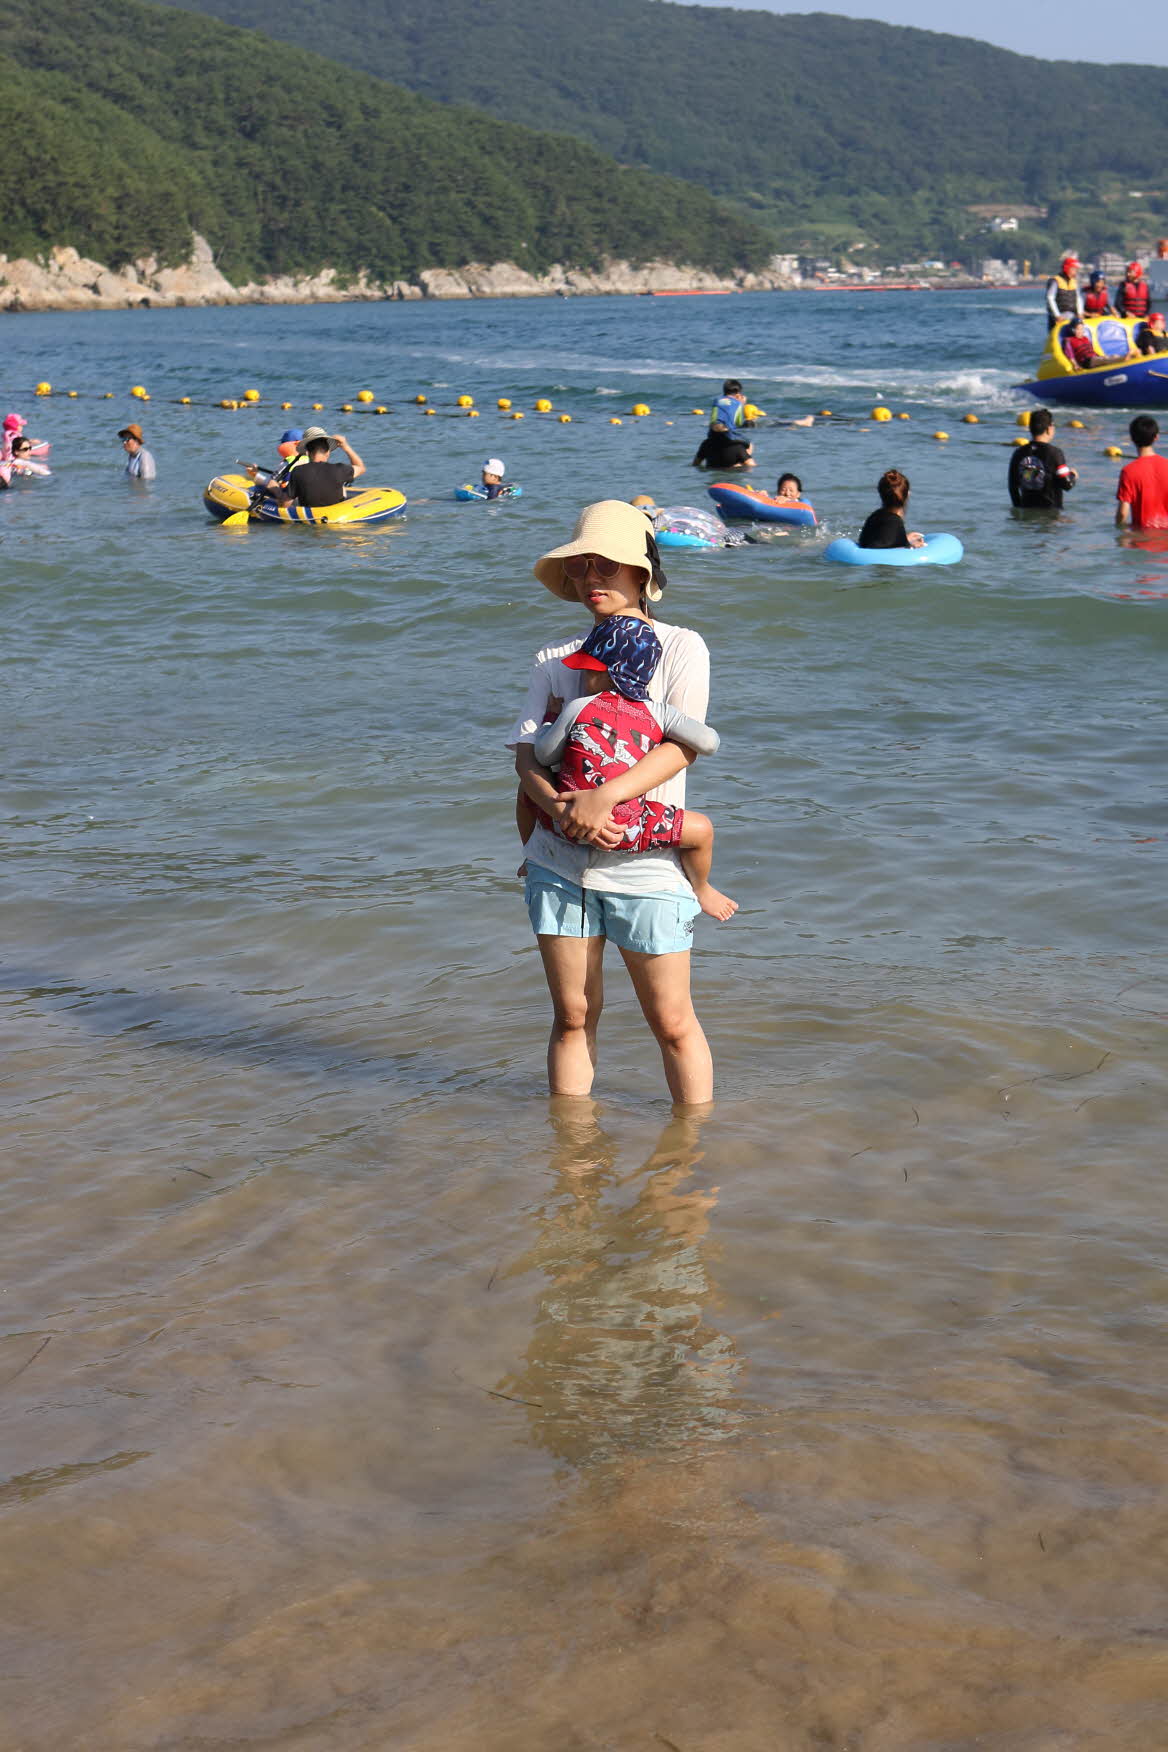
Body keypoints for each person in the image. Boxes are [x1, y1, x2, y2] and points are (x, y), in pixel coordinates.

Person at [509, 499, 718, 1104]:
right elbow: (526, 760)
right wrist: (563, 812)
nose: (589, 578)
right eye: (579, 567)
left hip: (648, 864)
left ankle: (692, 1150)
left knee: (672, 1022)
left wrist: (604, 797)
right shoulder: (554, 660)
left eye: (606, 565)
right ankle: (571, 1149)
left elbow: (684, 747)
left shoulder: (682, 647)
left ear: (641, 571)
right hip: (557, 862)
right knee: (572, 1016)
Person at [531, 613, 736, 921]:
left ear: (608, 673)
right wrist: (668, 730)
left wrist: (550, 720)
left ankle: (528, 858)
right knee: (702, 830)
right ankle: (702, 887)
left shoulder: (579, 705)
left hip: (567, 825)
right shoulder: (660, 714)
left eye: (588, 671)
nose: (584, 679)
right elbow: (709, 743)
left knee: (528, 791)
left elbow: (544, 755)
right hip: (627, 830)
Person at [270, 428, 364, 509]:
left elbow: (285, 504)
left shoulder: (298, 471)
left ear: (307, 452)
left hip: (310, 517)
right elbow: (361, 467)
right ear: (328, 452)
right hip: (337, 516)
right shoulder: (340, 469)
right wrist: (345, 446)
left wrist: (275, 490)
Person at [1008, 408, 1076, 509]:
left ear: (1030, 428)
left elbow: (1012, 487)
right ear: (1049, 429)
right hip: (1050, 513)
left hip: (1026, 511)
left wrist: (1019, 508)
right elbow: (1067, 484)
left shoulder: (1018, 453)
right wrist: (1073, 475)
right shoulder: (1055, 453)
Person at [1115, 415, 1168, 531]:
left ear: (1132, 438)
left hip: (1142, 536)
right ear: (1156, 437)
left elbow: (1123, 513)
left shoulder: (1128, 471)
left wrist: (1121, 533)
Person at [692, 377, 754, 470]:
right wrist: (742, 404)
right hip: (728, 434)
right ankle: (738, 463)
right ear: (738, 394)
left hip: (712, 435)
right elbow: (738, 422)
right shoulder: (738, 404)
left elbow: (713, 419)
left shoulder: (716, 400)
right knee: (750, 444)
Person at [857, 469, 924, 548]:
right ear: (907, 495)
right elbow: (884, 546)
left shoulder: (875, 516)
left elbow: (881, 539)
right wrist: (913, 546)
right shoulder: (895, 522)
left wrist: (905, 539)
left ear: (881, 494)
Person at [245, 427, 306, 497]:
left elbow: (270, 484)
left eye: (283, 443)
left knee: (256, 488)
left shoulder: (286, 464)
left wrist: (255, 475)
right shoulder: (310, 460)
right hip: (305, 495)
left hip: (288, 498)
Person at [1045, 255, 1082, 330]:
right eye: (1074, 269)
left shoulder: (1074, 282)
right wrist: (1057, 315)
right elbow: (1050, 298)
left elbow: (1078, 299)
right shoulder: (1055, 281)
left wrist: (1080, 313)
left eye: (1076, 269)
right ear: (1067, 268)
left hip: (1072, 317)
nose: (1076, 271)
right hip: (1058, 318)